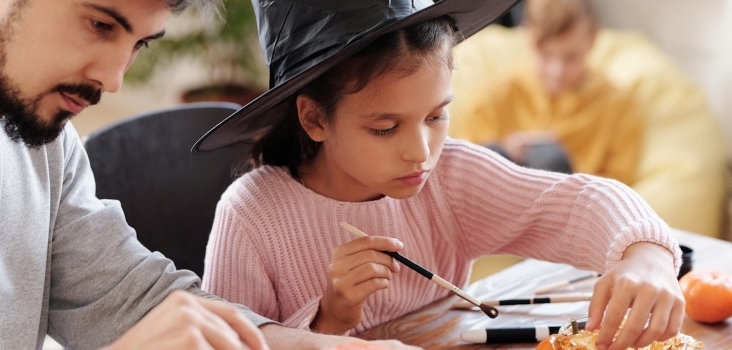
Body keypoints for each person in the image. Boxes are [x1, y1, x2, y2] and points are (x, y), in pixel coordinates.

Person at [194, 0, 685, 349]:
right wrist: (328, 319)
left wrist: (646, 257)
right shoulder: (252, 215)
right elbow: (229, 341)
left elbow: (578, 202)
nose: (421, 153)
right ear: (315, 119)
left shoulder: (450, 176)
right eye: (385, 129)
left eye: (436, 116)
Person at [0, 0, 418, 349]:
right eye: (100, 24)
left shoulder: (51, 144)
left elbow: (133, 299)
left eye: (139, 43)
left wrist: (324, 345)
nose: (113, 77)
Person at [449, 0, 644, 185]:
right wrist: (509, 154)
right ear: (527, 34)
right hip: (501, 202)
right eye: (545, 55)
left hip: (573, 208)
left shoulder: (619, 108)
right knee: (493, 153)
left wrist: (568, 169)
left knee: (550, 159)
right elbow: (463, 171)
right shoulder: (494, 98)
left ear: (592, 39)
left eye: (571, 57)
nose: (557, 71)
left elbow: (619, 187)